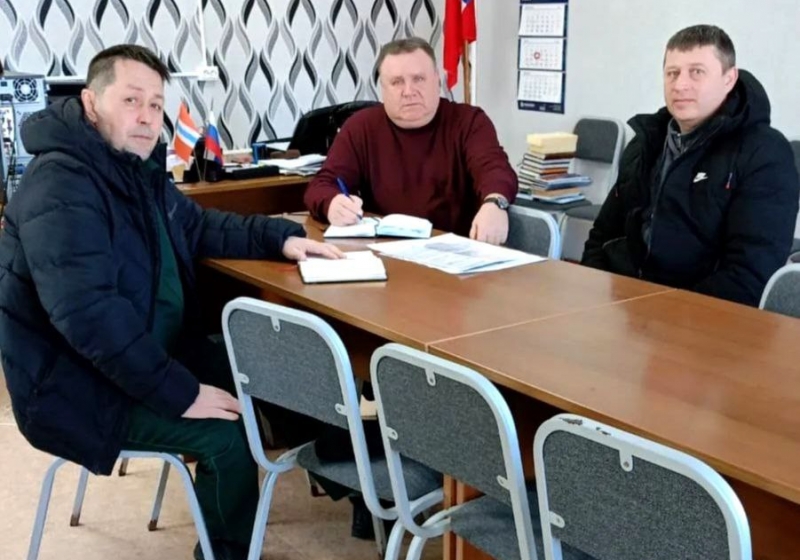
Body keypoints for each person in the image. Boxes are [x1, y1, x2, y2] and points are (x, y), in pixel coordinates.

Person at [0, 45, 341, 560]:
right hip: (73, 384)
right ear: (91, 104)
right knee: (226, 437)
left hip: (146, 353)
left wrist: (280, 239)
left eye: (156, 105)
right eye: (131, 100)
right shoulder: (62, 184)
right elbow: (91, 320)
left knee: (271, 376)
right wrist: (180, 392)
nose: (147, 117)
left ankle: (364, 492)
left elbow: (198, 225)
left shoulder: (131, 170)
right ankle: (224, 552)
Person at [582, 25, 799, 307]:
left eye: (697, 72)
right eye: (672, 73)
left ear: (729, 79)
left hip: (701, 314)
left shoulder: (765, 154)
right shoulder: (646, 143)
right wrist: (592, 292)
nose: (680, 85)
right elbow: (602, 236)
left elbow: (749, 275)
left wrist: (665, 311)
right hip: (626, 305)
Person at [304, 37, 517, 245]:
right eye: (397, 82)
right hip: (385, 251)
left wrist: (495, 202)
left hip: (455, 250)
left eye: (418, 79)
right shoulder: (361, 127)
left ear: (437, 81)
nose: (409, 92)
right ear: (383, 89)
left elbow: (495, 169)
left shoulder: (469, 121)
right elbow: (322, 185)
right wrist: (332, 203)